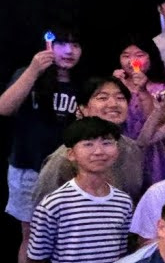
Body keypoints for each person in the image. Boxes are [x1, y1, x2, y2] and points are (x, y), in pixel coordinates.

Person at [27, 118, 132, 263]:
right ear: (71, 154)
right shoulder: (54, 203)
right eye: (88, 144)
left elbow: (119, 258)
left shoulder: (123, 202)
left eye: (107, 142)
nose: (99, 151)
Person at [0, 23, 83, 263]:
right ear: (48, 45)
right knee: (31, 236)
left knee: (67, 235)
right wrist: (34, 70)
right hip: (28, 168)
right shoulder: (28, 73)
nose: (69, 51)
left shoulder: (83, 83)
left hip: (68, 171)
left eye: (75, 44)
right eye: (61, 43)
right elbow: (4, 107)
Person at [33, 77, 146, 205]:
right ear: (83, 109)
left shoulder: (132, 149)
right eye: (102, 98)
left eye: (120, 98)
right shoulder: (66, 157)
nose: (113, 104)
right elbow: (42, 206)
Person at [113, 35, 165, 185]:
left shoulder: (163, 89)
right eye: (126, 56)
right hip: (122, 150)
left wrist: (142, 90)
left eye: (139, 55)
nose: (132, 61)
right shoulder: (115, 85)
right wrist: (114, 85)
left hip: (154, 152)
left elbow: (157, 121)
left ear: (151, 57)